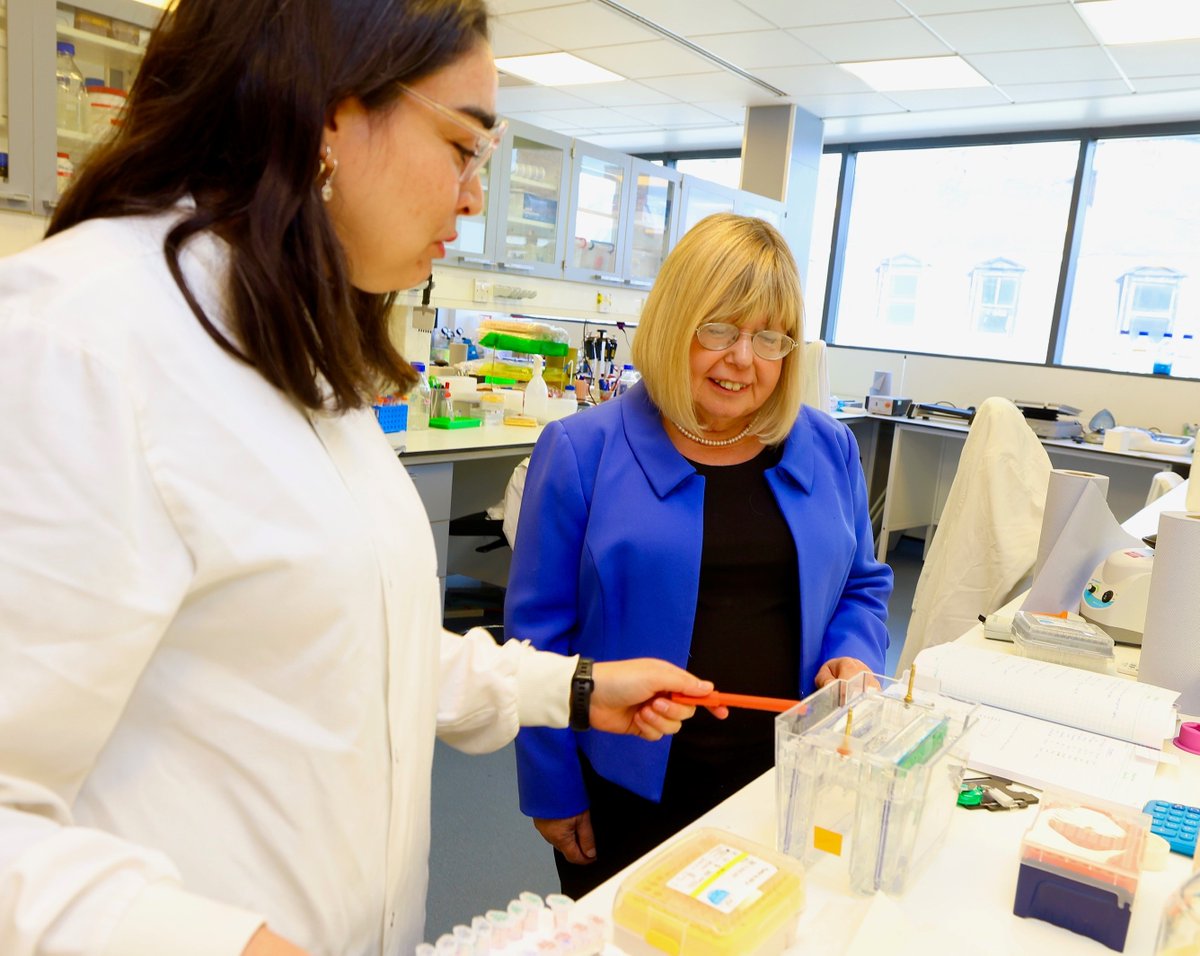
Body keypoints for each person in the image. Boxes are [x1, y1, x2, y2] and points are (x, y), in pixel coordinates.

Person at [0, 3, 717, 955]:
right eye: (463, 147)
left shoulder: (295, 345)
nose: (471, 198)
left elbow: (358, 647)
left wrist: (576, 689)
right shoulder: (79, 339)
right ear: (330, 115)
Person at [507, 213, 893, 897]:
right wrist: (552, 787)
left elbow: (863, 585)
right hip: (632, 788)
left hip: (786, 777)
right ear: (673, 322)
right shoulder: (581, 451)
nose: (743, 359)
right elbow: (537, 639)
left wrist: (856, 654)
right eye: (719, 329)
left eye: (769, 338)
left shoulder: (828, 447)